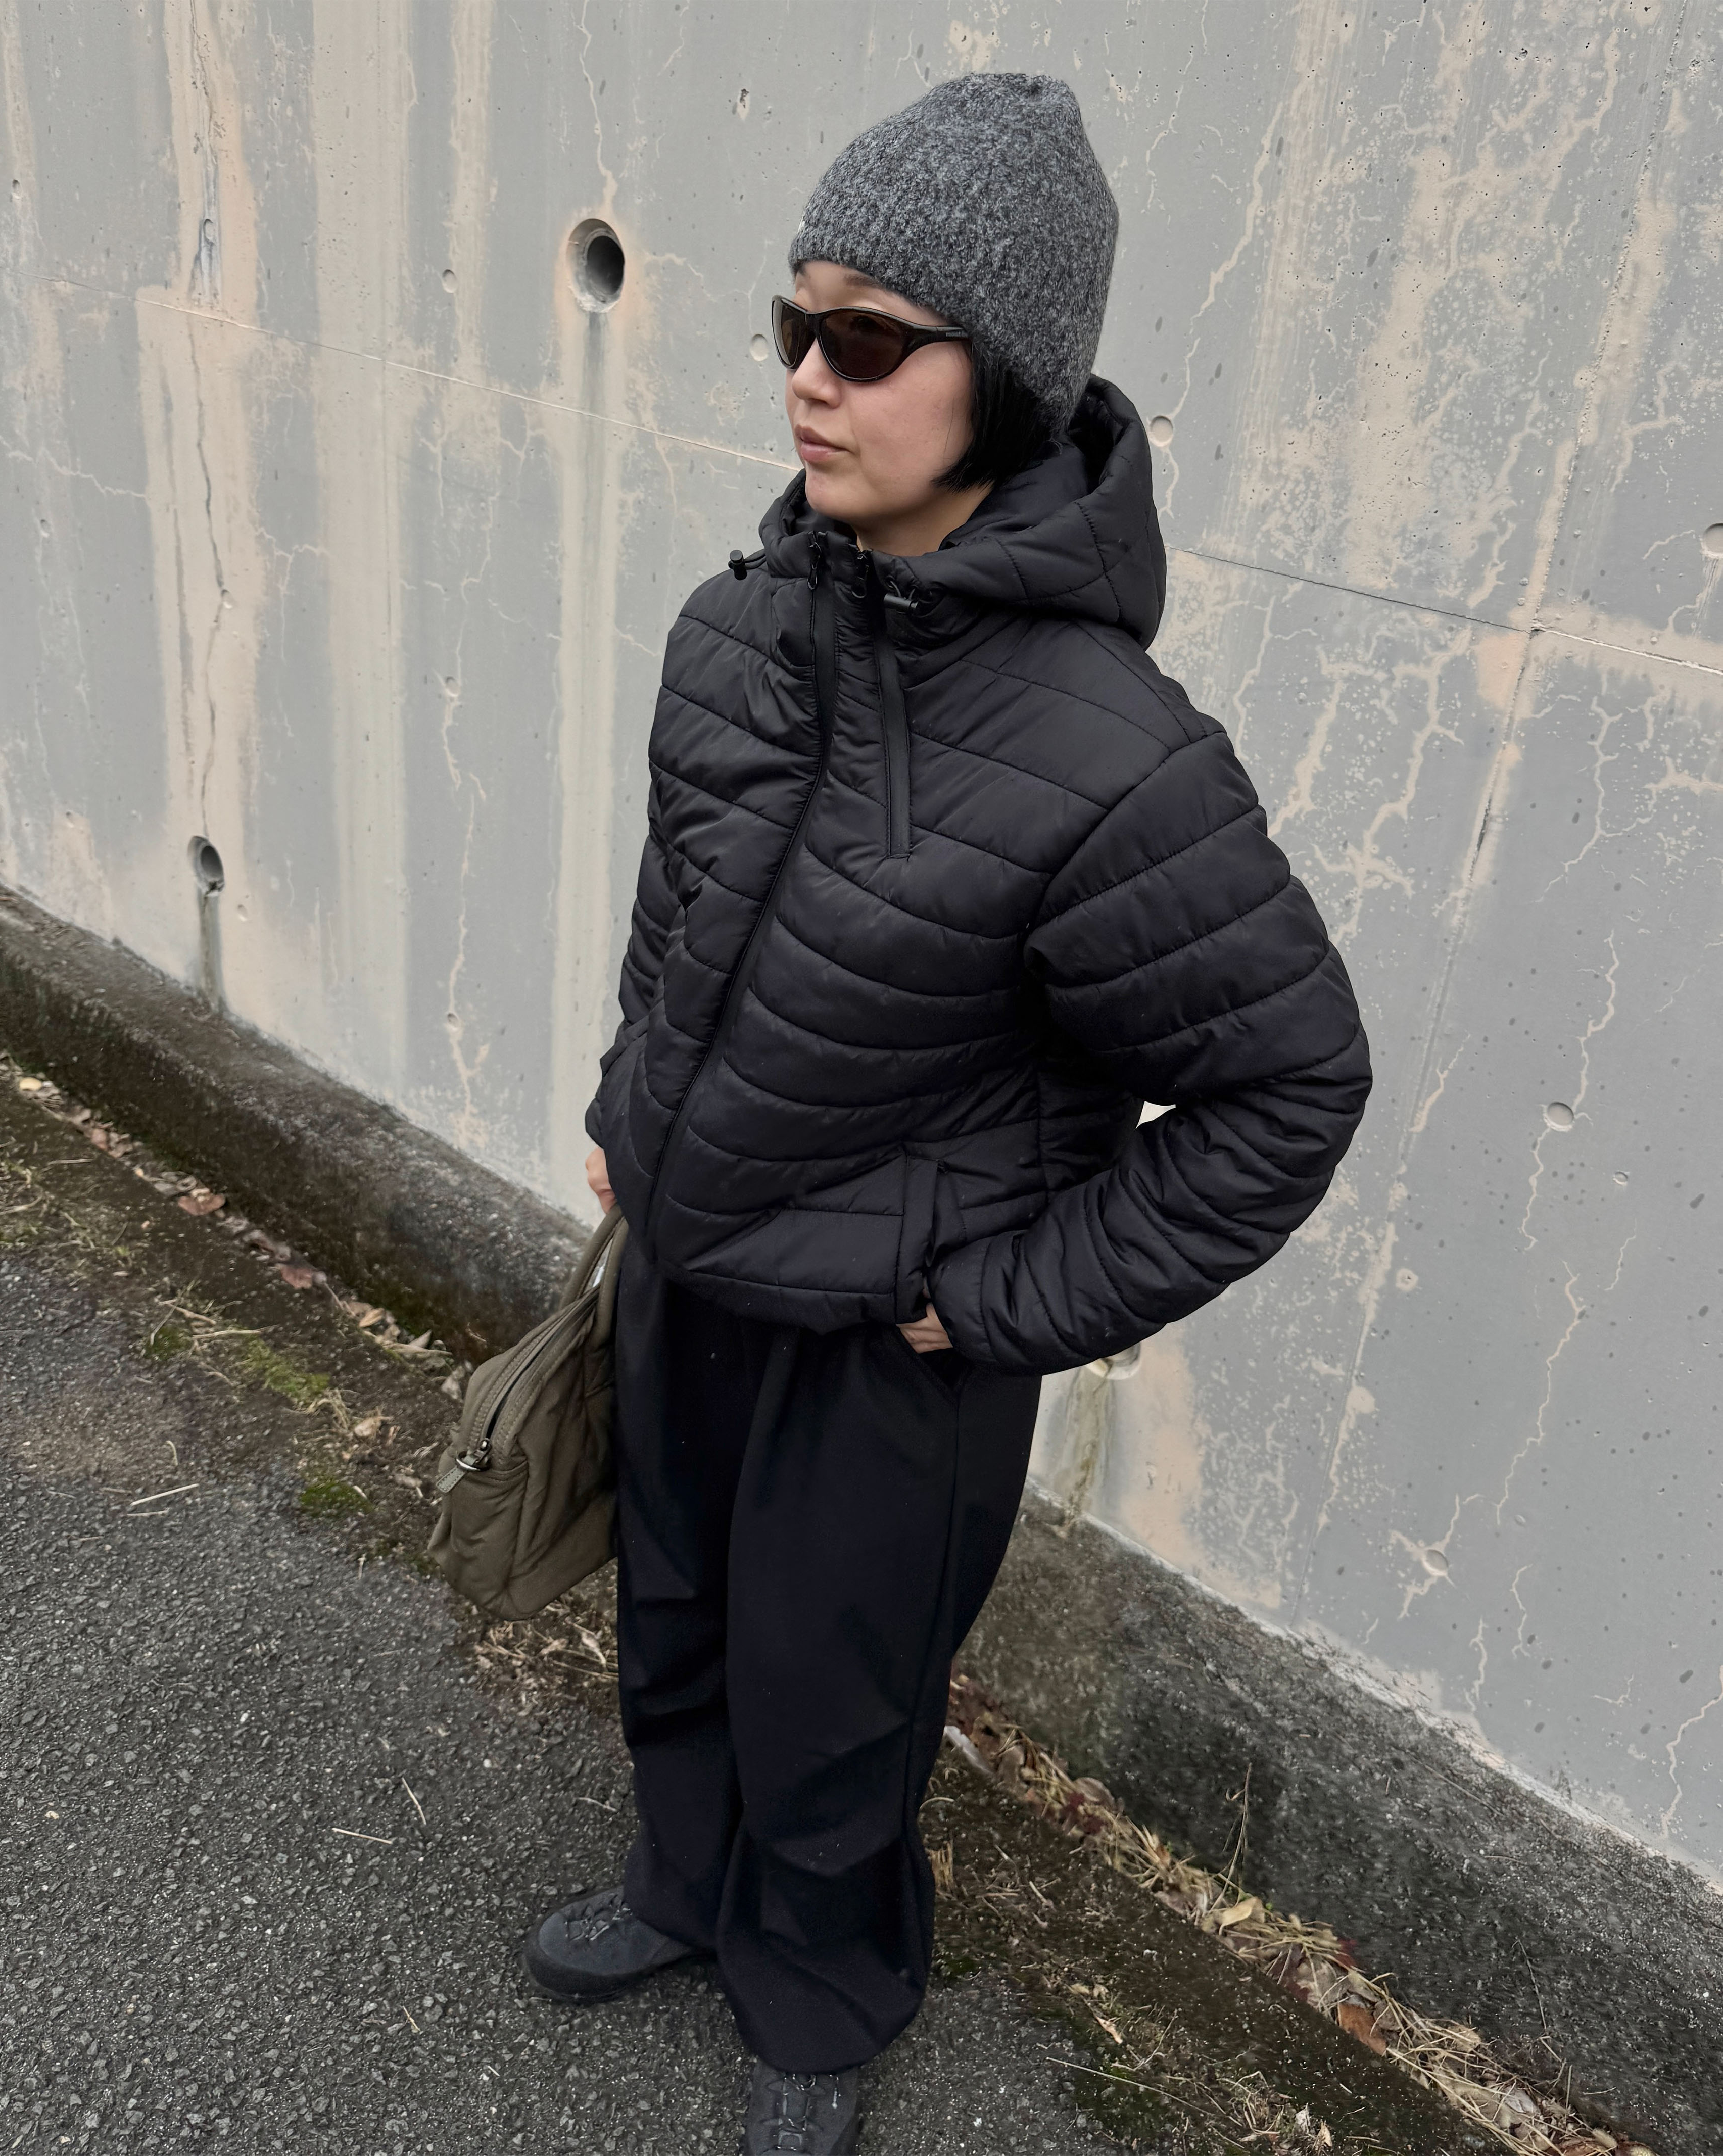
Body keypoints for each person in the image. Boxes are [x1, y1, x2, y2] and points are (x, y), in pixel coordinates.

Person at [523, 72, 1371, 2156]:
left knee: (839, 1697)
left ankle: (819, 1991)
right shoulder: (735, 627)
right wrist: (630, 1103)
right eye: (793, 327)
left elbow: (1285, 1086)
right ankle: (681, 1883)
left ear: (1003, 376)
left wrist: (988, 1301)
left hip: (886, 1350)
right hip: (690, 1267)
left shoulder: (1115, 758)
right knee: (675, 1613)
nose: (809, 380)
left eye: (869, 339)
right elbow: (677, 907)